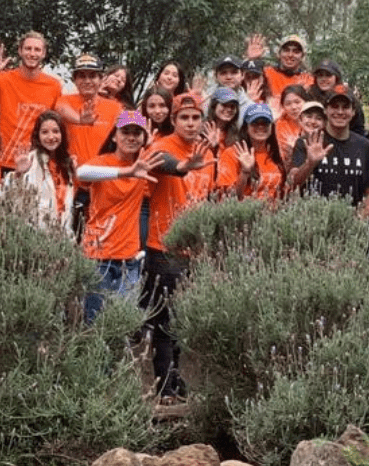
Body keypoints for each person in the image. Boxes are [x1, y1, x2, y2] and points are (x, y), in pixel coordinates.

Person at [141, 92, 214, 403]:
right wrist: (186, 164)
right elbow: (168, 164)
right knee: (165, 320)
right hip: (164, 246)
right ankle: (164, 385)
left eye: (195, 117)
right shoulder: (161, 147)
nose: (190, 122)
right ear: (173, 120)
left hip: (194, 250)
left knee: (183, 319)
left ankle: (176, 378)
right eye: (184, 117)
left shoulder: (208, 154)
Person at [76, 112, 162, 323]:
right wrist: (126, 173)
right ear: (114, 136)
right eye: (125, 132)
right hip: (98, 255)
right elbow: (81, 173)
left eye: (137, 133)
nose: (131, 138)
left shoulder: (145, 165)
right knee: (94, 323)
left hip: (129, 259)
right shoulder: (103, 162)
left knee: (122, 323)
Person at [0, 32, 63, 171]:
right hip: (3, 160)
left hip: (36, 163)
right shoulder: (4, 78)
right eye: (28, 48)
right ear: (20, 51)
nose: (32, 53)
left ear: (43, 54)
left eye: (37, 50)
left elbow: (57, 123)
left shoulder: (53, 85)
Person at [288, 88, 369, 214]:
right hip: (311, 222)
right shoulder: (307, 142)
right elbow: (293, 183)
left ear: (353, 112)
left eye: (345, 107)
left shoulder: (366, 147)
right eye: (335, 106)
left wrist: (362, 218)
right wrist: (310, 163)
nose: (340, 112)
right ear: (325, 110)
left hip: (349, 224)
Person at [8, 110, 76, 234]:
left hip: (63, 234)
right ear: (37, 135)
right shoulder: (30, 160)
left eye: (56, 131)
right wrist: (18, 174)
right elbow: (12, 199)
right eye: (45, 132)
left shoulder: (67, 163)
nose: (51, 137)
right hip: (37, 234)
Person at [54, 55, 122, 168]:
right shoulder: (64, 100)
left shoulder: (115, 107)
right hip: (71, 173)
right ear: (74, 80)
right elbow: (60, 109)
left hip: (102, 174)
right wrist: (80, 120)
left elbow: (133, 125)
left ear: (101, 79)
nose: (87, 81)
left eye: (92, 76)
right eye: (82, 76)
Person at [225, 102, 286, 202]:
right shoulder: (232, 154)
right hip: (245, 215)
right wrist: (244, 172)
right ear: (246, 127)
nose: (260, 127)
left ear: (272, 127)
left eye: (265, 123)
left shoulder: (276, 154)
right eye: (255, 123)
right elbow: (228, 198)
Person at [306, 59, 365, 135]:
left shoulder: (348, 96)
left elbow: (358, 127)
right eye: (320, 75)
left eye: (328, 75)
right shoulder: (310, 96)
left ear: (336, 77)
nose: (323, 79)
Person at [261, 34, 314, 101]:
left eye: (296, 51)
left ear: (302, 56)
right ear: (279, 54)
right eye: (286, 50)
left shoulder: (307, 79)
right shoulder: (267, 72)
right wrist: (252, 59)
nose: (290, 55)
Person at [275, 84, 309, 158]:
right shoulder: (280, 125)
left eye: (297, 102)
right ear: (283, 106)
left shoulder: (314, 119)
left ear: (306, 101)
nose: (293, 107)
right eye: (288, 104)